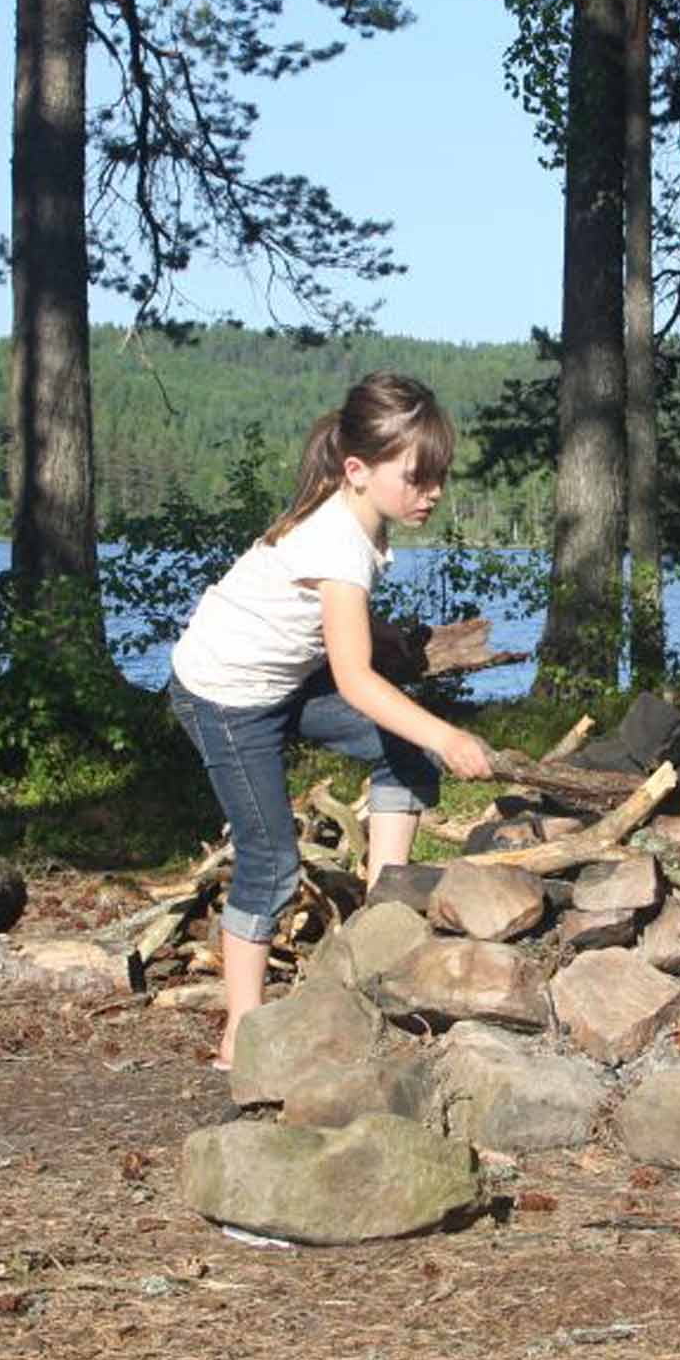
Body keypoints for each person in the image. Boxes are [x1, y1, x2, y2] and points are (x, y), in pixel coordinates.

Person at [167, 372, 495, 1070]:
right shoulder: (338, 543)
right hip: (223, 697)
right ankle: (241, 1033)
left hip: (279, 684)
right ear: (357, 470)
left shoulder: (356, 522)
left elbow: (343, 619)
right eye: (417, 477)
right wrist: (446, 733)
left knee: (404, 753)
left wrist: (390, 643)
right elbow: (353, 679)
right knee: (271, 857)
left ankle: (384, 927)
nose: (432, 492)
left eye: (438, 476)